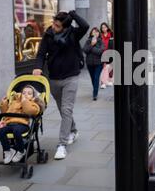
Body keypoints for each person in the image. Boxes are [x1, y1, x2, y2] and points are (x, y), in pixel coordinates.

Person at [33, 10, 89, 160]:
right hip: (54, 79)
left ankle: (62, 145)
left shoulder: (73, 34)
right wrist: (38, 67)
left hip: (71, 77)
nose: (53, 27)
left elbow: (85, 26)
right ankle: (73, 130)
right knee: (63, 109)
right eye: (53, 23)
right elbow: (40, 54)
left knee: (66, 109)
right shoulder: (48, 35)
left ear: (64, 27)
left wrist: (74, 14)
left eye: (57, 25)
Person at [0, 85, 45, 164]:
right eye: (24, 93)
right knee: (0, 131)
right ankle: (8, 151)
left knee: (16, 131)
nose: (26, 94)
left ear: (33, 96)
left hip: (22, 125)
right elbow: (6, 113)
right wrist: (4, 103)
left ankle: (21, 150)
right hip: (10, 124)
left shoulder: (33, 104)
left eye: (29, 93)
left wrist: (24, 101)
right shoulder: (15, 102)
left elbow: (29, 111)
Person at [84, 27, 105, 101]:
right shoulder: (88, 41)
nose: (95, 33)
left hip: (99, 63)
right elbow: (85, 50)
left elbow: (100, 51)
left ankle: (95, 94)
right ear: (91, 33)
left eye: (97, 32)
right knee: (93, 78)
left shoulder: (101, 42)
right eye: (94, 32)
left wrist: (92, 49)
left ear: (99, 33)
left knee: (96, 78)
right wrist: (92, 45)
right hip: (90, 63)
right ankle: (95, 88)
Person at [99, 22, 114, 89]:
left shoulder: (111, 35)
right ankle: (103, 83)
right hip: (102, 54)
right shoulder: (100, 36)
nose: (103, 29)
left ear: (107, 28)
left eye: (105, 27)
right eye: (102, 28)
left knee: (109, 68)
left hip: (110, 54)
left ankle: (107, 81)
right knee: (105, 68)